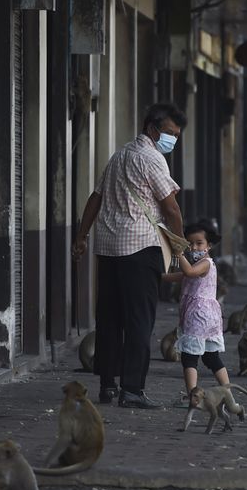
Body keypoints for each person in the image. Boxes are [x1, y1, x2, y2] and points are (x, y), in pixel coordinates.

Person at [73, 103, 186, 409]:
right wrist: (179, 243)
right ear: (152, 128)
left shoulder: (118, 156)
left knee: (110, 319)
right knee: (139, 320)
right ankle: (132, 390)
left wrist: (82, 236)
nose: (173, 140)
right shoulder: (152, 159)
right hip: (140, 248)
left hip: (108, 249)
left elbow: (95, 198)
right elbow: (170, 206)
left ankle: (108, 385)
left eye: (176, 135)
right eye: (170, 133)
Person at [162, 219, 231, 396]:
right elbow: (180, 276)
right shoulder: (198, 264)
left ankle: (193, 394)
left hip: (199, 316)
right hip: (208, 317)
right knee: (210, 356)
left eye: (199, 243)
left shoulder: (206, 263)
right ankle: (227, 392)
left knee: (189, 357)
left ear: (209, 245)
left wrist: (179, 253)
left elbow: (189, 273)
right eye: (190, 244)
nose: (194, 248)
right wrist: (160, 276)